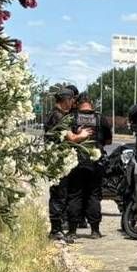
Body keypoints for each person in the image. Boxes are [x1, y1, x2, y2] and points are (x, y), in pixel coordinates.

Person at [43, 84, 90, 242]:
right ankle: (55, 230)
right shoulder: (57, 116)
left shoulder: (58, 114)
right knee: (59, 195)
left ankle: (57, 229)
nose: (73, 104)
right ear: (66, 100)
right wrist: (83, 135)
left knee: (61, 195)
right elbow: (72, 138)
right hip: (57, 163)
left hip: (58, 162)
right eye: (72, 100)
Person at [68, 93, 115, 238]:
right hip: (96, 162)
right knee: (94, 195)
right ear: (91, 103)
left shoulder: (72, 118)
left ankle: (72, 231)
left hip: (77, 162)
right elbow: (108, 141)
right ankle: (95, 230)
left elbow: (68, 139)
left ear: (77, 104)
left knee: (75, 195)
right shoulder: (100, 118)